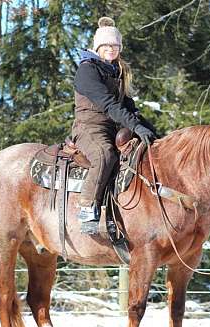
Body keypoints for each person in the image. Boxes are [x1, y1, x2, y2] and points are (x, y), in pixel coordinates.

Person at [72, 16, 156, 234]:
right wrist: (135, 127)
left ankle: (115, 212)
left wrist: (150, 131)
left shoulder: (117, 71)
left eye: (116, 45)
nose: (111, 49)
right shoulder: (87, 71)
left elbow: (127, 106)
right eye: (107, 45)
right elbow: (109, 104)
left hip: (114, 127)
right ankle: (87, 209)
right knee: (105, 155)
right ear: (98, 46)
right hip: (89, 127)